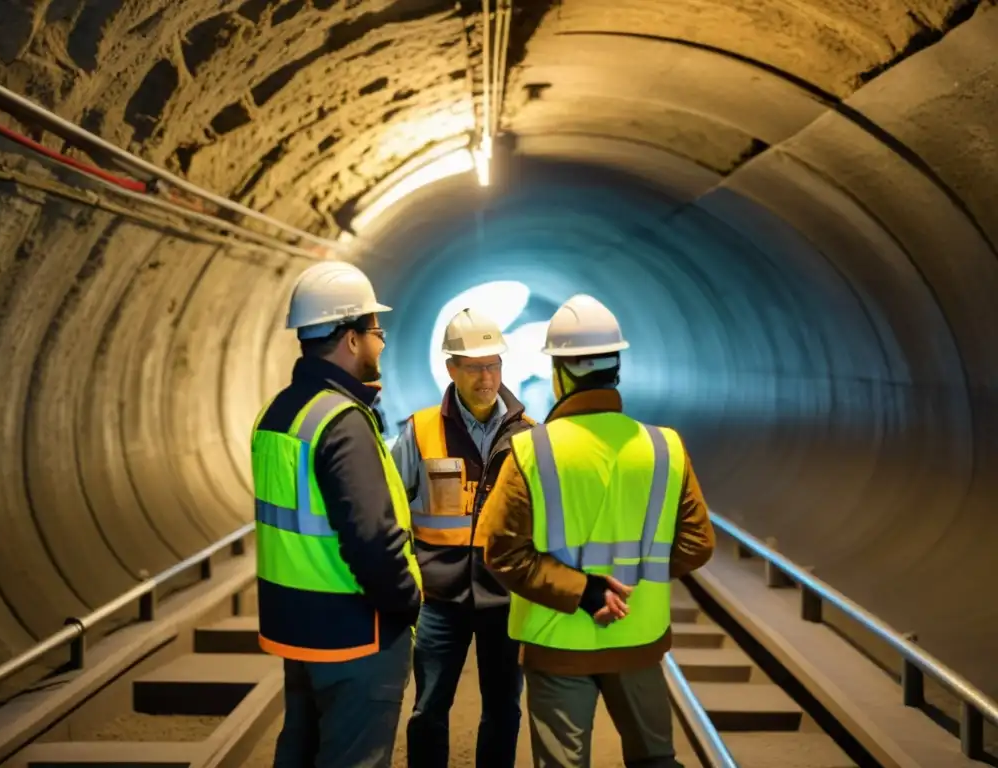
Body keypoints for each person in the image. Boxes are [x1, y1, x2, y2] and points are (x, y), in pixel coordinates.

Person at [478, 294, 716, 768]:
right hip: (639, 635)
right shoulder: (664, 447)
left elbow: (503, 553)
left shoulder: (531, 451)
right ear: (616, 367)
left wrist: (585, 591)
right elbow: (697, 544)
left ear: (561, 372)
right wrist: (628, 587)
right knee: (655, 760)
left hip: (557, 641)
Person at [250, 260, 423, 768]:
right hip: (356, 635)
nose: (382, 344)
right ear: (349, 339)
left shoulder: (278, 413)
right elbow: (371, 537)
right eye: (375, 331)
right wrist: (406, 604)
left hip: (298, 631)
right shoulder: (342, 421)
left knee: (300, 753)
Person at [391, 307, 534, 768]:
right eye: (473, 367)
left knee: (503, 710)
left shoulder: (530, 438)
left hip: (505, 599)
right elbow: (390, 510)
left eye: (492, 364)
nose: (485, 377)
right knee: (429, 708)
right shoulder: (421, 430)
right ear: (451, 368)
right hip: (438, 600)